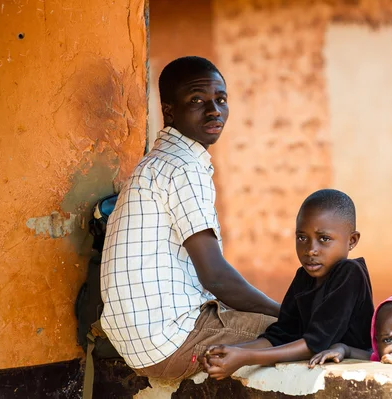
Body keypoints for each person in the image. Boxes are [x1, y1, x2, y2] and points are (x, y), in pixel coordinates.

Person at [99, 56, 280, 381]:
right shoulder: (183, 166)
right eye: (197, 100)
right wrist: (287, 313)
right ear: (169, 111)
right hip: (173, 343)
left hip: (139, 346)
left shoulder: (157, 163)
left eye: (220, 99)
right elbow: (215, 277)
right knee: (302, 333)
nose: (214, 111)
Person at [202, 189, 375, 380]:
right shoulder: (304, 276)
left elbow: (315, 344)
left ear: (352, 240)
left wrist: (245, 357)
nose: (311, 250)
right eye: (302, 238)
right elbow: (281, 335)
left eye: (324, 239)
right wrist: (230, 351)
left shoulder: (350, 273)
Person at [309, 293, 392, 368]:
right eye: (388, 340)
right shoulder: (381, 359)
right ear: (376, 341)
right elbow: (349, 351)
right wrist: (339, 349)